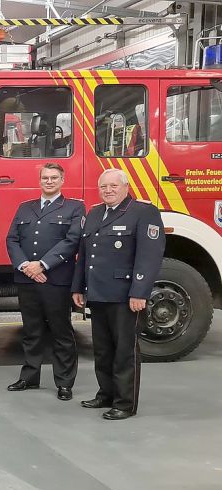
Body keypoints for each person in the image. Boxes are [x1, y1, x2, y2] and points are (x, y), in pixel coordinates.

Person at [72, 168, 165, 420]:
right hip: (99, 294)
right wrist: (78, 287)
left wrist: (139, 292)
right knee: (102, 350)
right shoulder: (93, 214)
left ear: (125, 187)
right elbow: (85, 256)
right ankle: (106, 394)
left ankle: (125, 403)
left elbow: (148, 257)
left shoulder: (143, 213)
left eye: (114, 186)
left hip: (125, 296)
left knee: (125, 351)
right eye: (104, 186)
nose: (108, 190)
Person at [5, 163, 84, 401]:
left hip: (55, 279)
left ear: (62, 180)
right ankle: (29, 377)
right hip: (27, 279)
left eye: (54, 178)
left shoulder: (74, 208)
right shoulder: (25, 208)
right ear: (39, 181)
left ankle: (64, 382)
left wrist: (42, 265)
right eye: (45, 178)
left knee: (61, 331)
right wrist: (25, 267)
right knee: (31, 330)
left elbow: (72, 241)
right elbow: (12, 239)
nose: (49, 181)